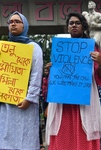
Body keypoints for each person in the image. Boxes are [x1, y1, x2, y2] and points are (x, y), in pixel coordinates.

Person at [46, 12, 101, 150]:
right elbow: (57, 76)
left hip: (85, 99)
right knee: (63, 131)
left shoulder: (93, 47)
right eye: (71, 23)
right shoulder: (61, 47)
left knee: (84, 132)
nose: (74, 25)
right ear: (67, 27)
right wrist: (51, 69)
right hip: (63, 101)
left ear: (83, 26)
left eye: (77, 23)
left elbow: (100, 77)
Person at [0, 11, 43, 149]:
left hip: (24, 104)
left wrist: (29, 99)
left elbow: (36, 75)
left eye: (17, 21)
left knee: (25, 141)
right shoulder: (4, 48)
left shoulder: (34, 48)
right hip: (5, 103)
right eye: (11, 22)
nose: (13, 24)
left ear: (24, 25)